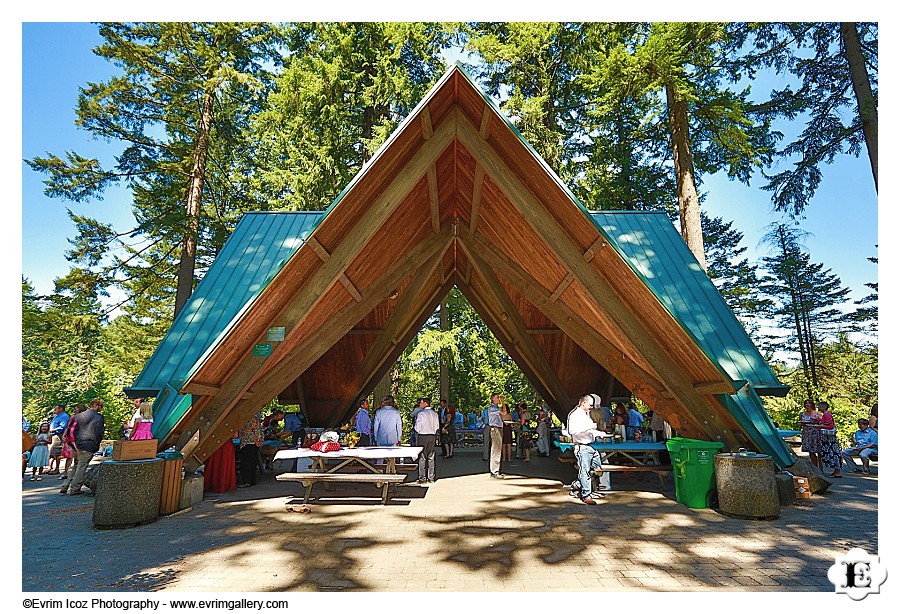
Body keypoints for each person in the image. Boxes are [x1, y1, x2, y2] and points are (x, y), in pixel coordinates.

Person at [566, 394, 608, 505]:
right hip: (582, 446)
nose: (591, 407)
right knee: (584, 471)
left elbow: (591, 431)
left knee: (597, 468)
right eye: (590, 405)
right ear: (583, 403)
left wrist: (600, 434)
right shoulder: (574, 415)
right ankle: (586, 495)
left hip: (591, 445)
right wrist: (588, 429)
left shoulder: (586, 414)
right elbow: (572, 431)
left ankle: (578, 484)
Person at [61, 398, 105, 496]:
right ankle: (75, 488)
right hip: (89, 443)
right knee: (82, 466)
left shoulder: (78, 416)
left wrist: (74, 442)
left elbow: (72, 430)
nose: (101, 408)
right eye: (101, 406)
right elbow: (99, 432)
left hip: (78, 443)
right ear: (97, 405)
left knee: (76, 465)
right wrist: (97, 442)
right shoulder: (98, 417)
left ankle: (65, 485)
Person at [411, 396, 440, 483]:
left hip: (422, 435)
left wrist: (418, 431)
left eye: (421, 403)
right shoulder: (435, 414)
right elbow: (437, 426)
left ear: (425, 403)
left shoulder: (421, 414)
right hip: (432, 435)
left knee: (422, 456)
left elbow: (417, 427)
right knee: (431, 456)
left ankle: (422, 477)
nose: (420, 404)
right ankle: (431, 477)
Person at [816, 402, 843, 478]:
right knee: (830, 453)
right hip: (826, 438)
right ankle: (836, 471)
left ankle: (837, 471)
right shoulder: (825, 415)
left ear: (824, 407)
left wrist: (820, 426)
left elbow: (830, 425)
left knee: (833, 453)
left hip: (829, 439)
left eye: (820, 406)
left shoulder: (827, 415)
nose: (818, 407)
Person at [237, 414, 263, 487]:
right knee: (253, 462)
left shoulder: (243, 420)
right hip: (255, 443)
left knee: (245, 463)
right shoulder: (256, 420)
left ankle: (246, 481)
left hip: (247, 443)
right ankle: (252, 480)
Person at [799, 398, 822, 470]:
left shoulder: (817, 413)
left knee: (819, 451)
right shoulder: (802, 414)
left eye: (809, 403)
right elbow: (800, 423)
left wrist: (816, 421)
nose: (807, 405)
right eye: (806, 403)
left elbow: (823, 423)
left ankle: (821, 469)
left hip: (815, 432)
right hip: (807, 433)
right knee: (811, 451)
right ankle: (815, 468)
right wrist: (802, 423)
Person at [46, 404, 69, 475]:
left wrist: (53, 430)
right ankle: (50, 467)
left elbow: (63, 427)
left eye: (56, 409)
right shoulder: (56, 416)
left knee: (56, 452)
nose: (54, 410)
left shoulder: (64, 416)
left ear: (61, 409)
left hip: (58, 435)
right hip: (52, 435)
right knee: (51, 452)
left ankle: (57, 468)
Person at [487, 393, 504, 478]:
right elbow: (504, 413)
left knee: (498, 449)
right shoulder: (492, 408)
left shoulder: (496, 408)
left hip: (498, 428)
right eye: (497, 398)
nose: (499, 399)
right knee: (496, 450)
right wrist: (503, 402)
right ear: (493, 399)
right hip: (495, 429)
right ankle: (494, 471)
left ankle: (495, 470)